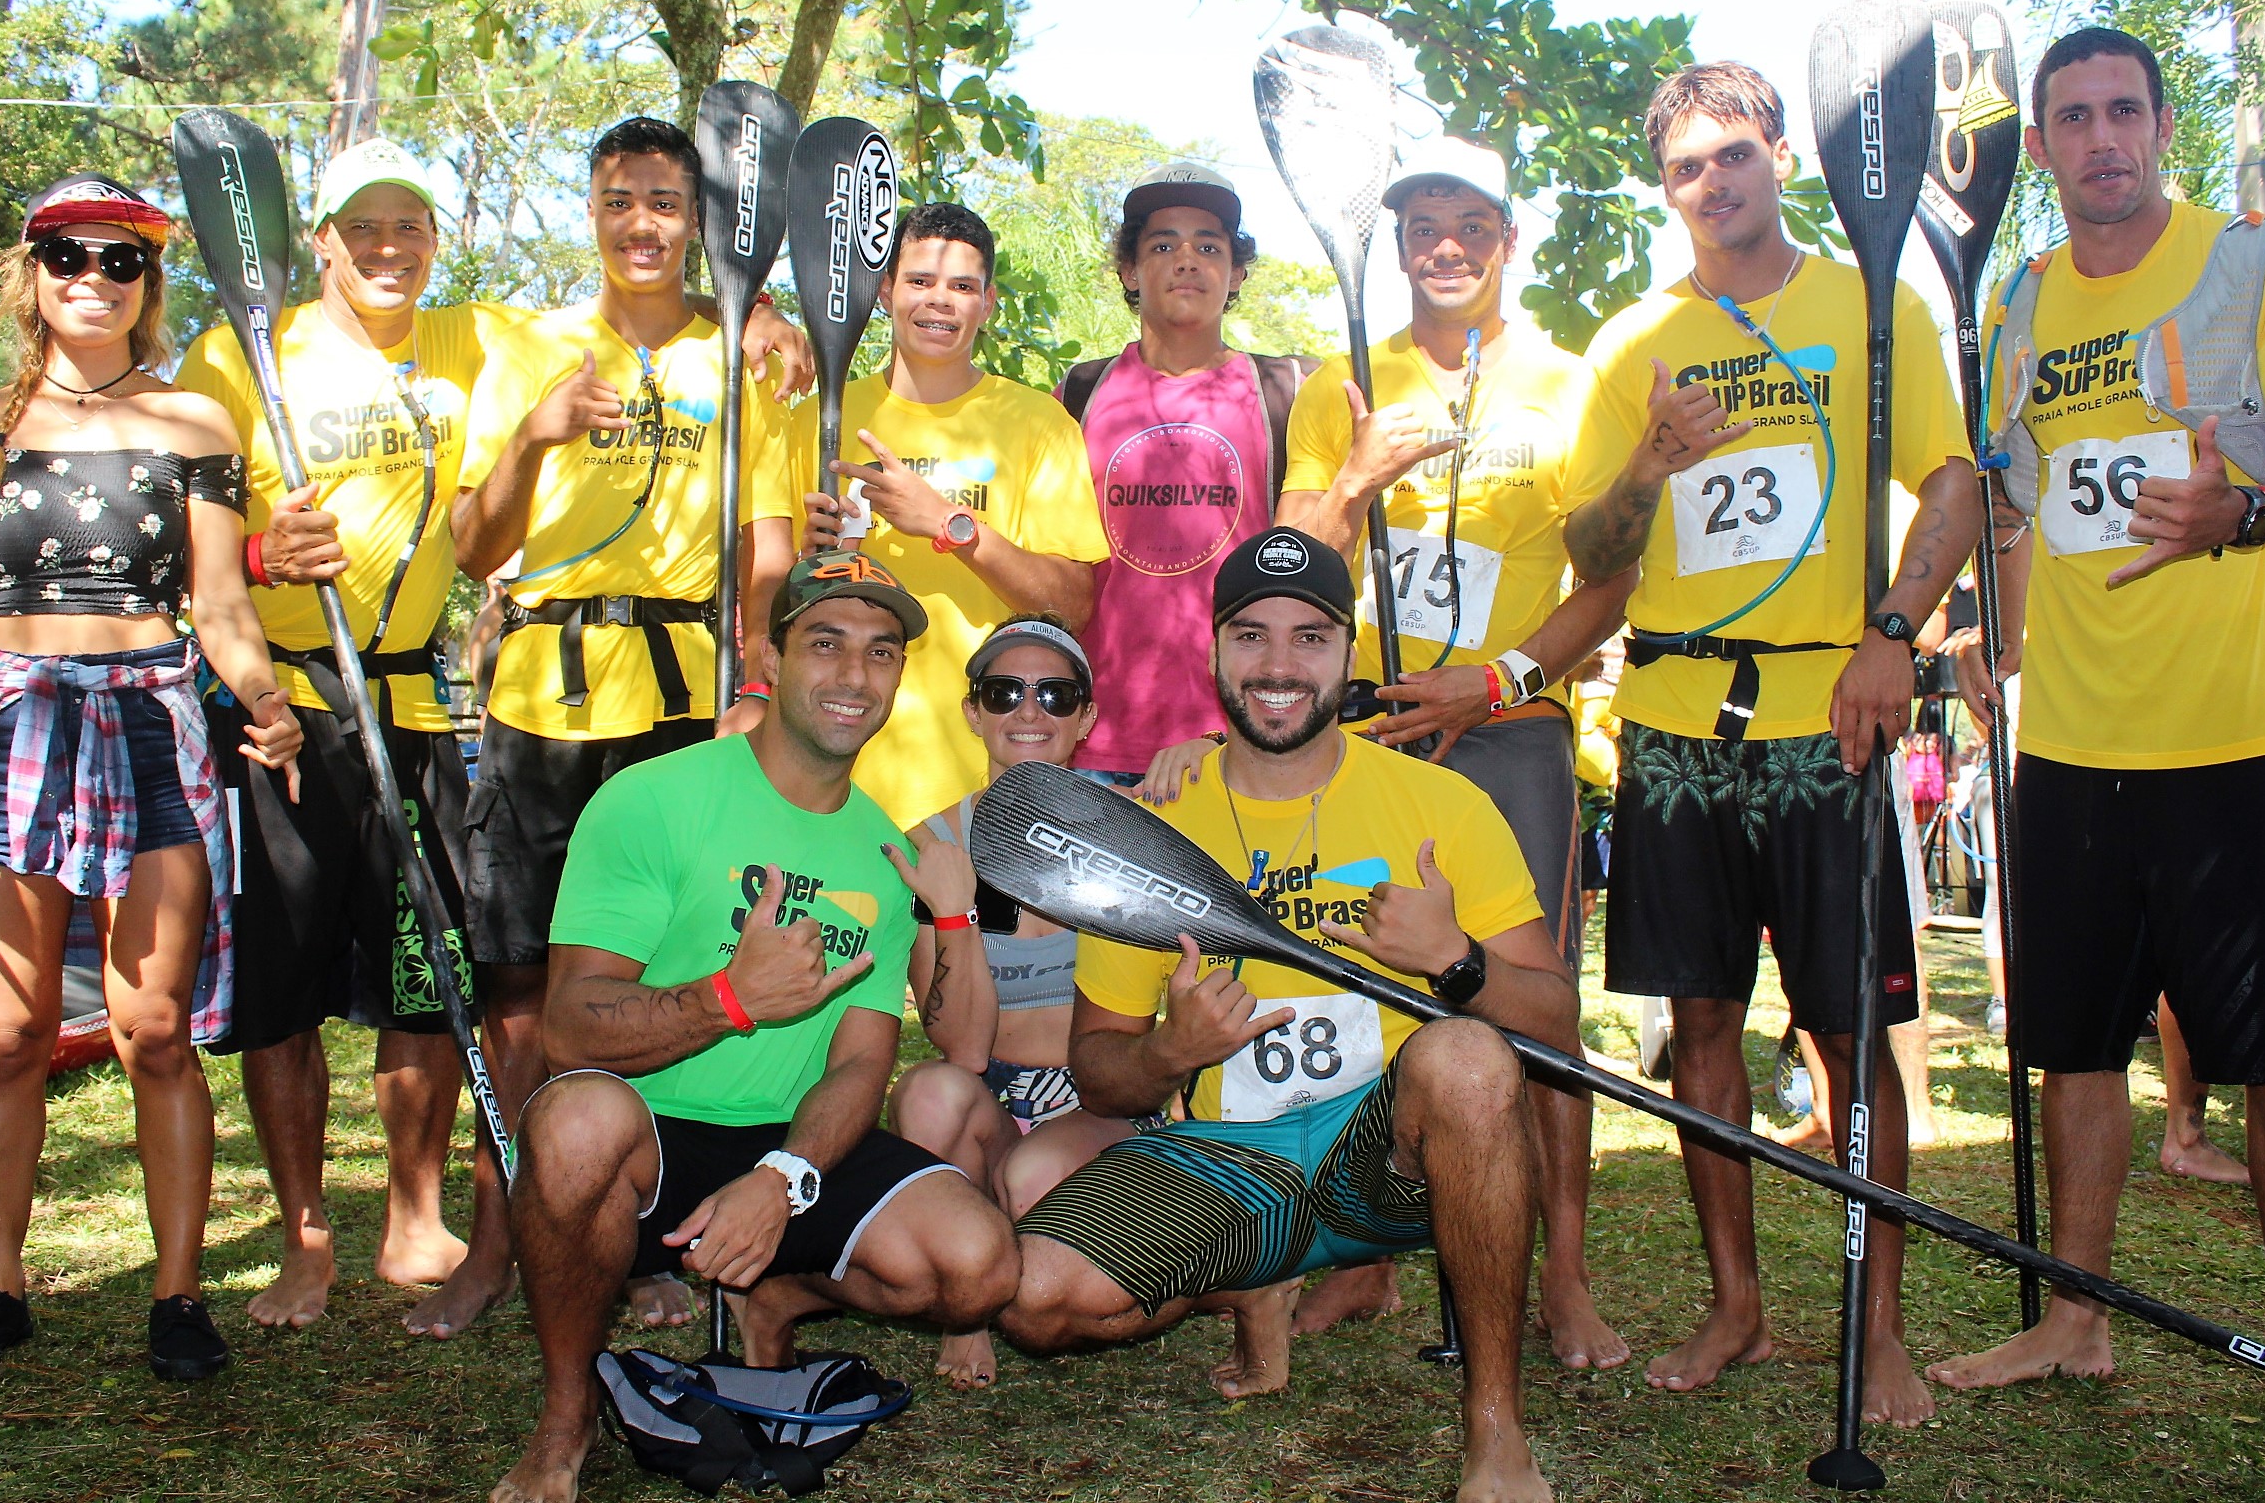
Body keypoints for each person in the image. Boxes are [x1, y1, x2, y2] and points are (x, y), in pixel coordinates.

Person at [1930, 26, 2265, 1477]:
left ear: (2163, 125)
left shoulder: (2260, 260)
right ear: (2046, 145)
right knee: (2069, 1042)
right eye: (2072, 118)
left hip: (2233, 736)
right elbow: (2006, 495)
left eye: (2124, 109)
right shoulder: (2017, 302)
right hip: (2067, 745)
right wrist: (1978, 644)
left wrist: (2244, 517)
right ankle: (2077, 1317)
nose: (2100, 137)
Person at [1558, 61, 1980, 1427]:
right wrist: (1645, 466)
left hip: (1828, 716)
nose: (1715, 183)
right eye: (1687, 167)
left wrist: (1896, 628)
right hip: (1678, 727)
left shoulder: (1868, 299)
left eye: (1734, 154)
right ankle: (1736, 1301)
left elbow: (1957, 482)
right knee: (1698, 1030)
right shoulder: (1634, 342)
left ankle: (1880, 1324)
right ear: (1664, 188)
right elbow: (1591, 549)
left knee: (1854, 1034)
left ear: (1781, 155)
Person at [1001, 527, 1577, 1503]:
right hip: (1236, 1162)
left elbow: (1555, 1020)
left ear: (1348, 652)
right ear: (1214, 649)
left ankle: (1495, 1433)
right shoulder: (1154, 831)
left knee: (1471, 1061)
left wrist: (1456, 962)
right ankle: (1252, 1278)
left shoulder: (1441, 805)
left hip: (1387, 1161)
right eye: (1251, 635)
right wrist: (1168, 1054)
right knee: (1036, 1302)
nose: (1278, 665)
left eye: (1310, 638)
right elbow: (1097, 1068)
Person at [0, 176, 304, 1381]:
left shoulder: (194, 426)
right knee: (8, 1039)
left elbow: (220, 605)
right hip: (2, 728)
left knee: (153, 1031)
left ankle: (178, 1298)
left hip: (151, 725)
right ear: (33, 272)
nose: (92, 280)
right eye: (67, 256)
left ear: (148, 283)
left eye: (119, 261)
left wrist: (263, 701)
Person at [488, 552, 1018, 1503]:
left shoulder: (888, 849)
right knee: (571, 1123)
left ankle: (769, 1286)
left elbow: (862, 1061)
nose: (854, 677)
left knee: (978, 1271)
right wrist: (726, 1000)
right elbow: (566, 1028)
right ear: (770, 657)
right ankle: (565, 1414)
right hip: (644, 1139)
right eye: (826, 644)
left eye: (881, 652)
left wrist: (784, 1177)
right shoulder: (653, 798)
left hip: (786, 1142)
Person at [1275, 135, 1633, 1365]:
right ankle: (1366, 1250)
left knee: (1533, 1008)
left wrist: (1495, 682)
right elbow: (1287, 555)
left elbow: (1611, 579)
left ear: (1508, 241)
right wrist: (1356, 481)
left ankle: (1565, 1276)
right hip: (1369, 730)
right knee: (1357, 982)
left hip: (1511, 732)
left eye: (1470, 224)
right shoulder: (1346, 383)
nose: (1444, 246)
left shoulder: (1570, 382)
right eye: (1423, 223)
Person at [445, 115, 805, 1332]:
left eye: (667, 201)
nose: (644, 225)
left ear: (699, 219)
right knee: (522, 988)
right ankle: (499, 1233)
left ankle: (643, 1229)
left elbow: (767, 549)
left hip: (681, 693)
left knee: (668, 974)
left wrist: (754, 677)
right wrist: (535, 435)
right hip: (541, 692)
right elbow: (473, 546)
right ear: (589, 210)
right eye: (620, 200)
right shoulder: (531, 347)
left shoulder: (745, 355)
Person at [176, 137, 509, 1334]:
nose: (386, 247)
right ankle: (307, 1237)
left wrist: (768, 326)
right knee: (284, 992)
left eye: (410, 225)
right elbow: (180, 547)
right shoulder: (234, 357)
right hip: (286, 711)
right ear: (318, 240)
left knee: (426, 979)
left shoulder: (470, 342)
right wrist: (268, 554)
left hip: (415, 709)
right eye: (361, 226)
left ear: (435, 240)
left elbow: (618, 332)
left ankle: (415, 1219)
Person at [888, 614, 1155, 1387]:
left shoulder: (1137, 833)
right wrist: (955, 912)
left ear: (1087, 718)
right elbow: (963, 1051)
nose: (1029, 713)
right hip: (992, 1092)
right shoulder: (929, 846)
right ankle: (965, 1306)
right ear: (973, 712)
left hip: (1101, 1095)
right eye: (1004, 693)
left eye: (1055, 694)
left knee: (1037, 1177)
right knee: (929, 1094)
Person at [798, 202, 1109, 827]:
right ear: (886, 290)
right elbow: (772, 588)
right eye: (920, 281)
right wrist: (807, 563)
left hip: (984, 777)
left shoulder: (1038, 423)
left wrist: (947, 524)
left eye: (962, 286)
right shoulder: (821, 419)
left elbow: (1071, 604)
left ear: (987, 303)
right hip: (838, 767)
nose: (940, 301)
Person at [1054, 162, 1318, 783]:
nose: (1186, 260)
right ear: (1129, 270)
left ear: (1236, 274)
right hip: (1095, 742)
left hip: (1236, 745)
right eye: (1163, 244)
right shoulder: (1078, 393)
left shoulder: (1286, 390)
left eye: (1209, 246)